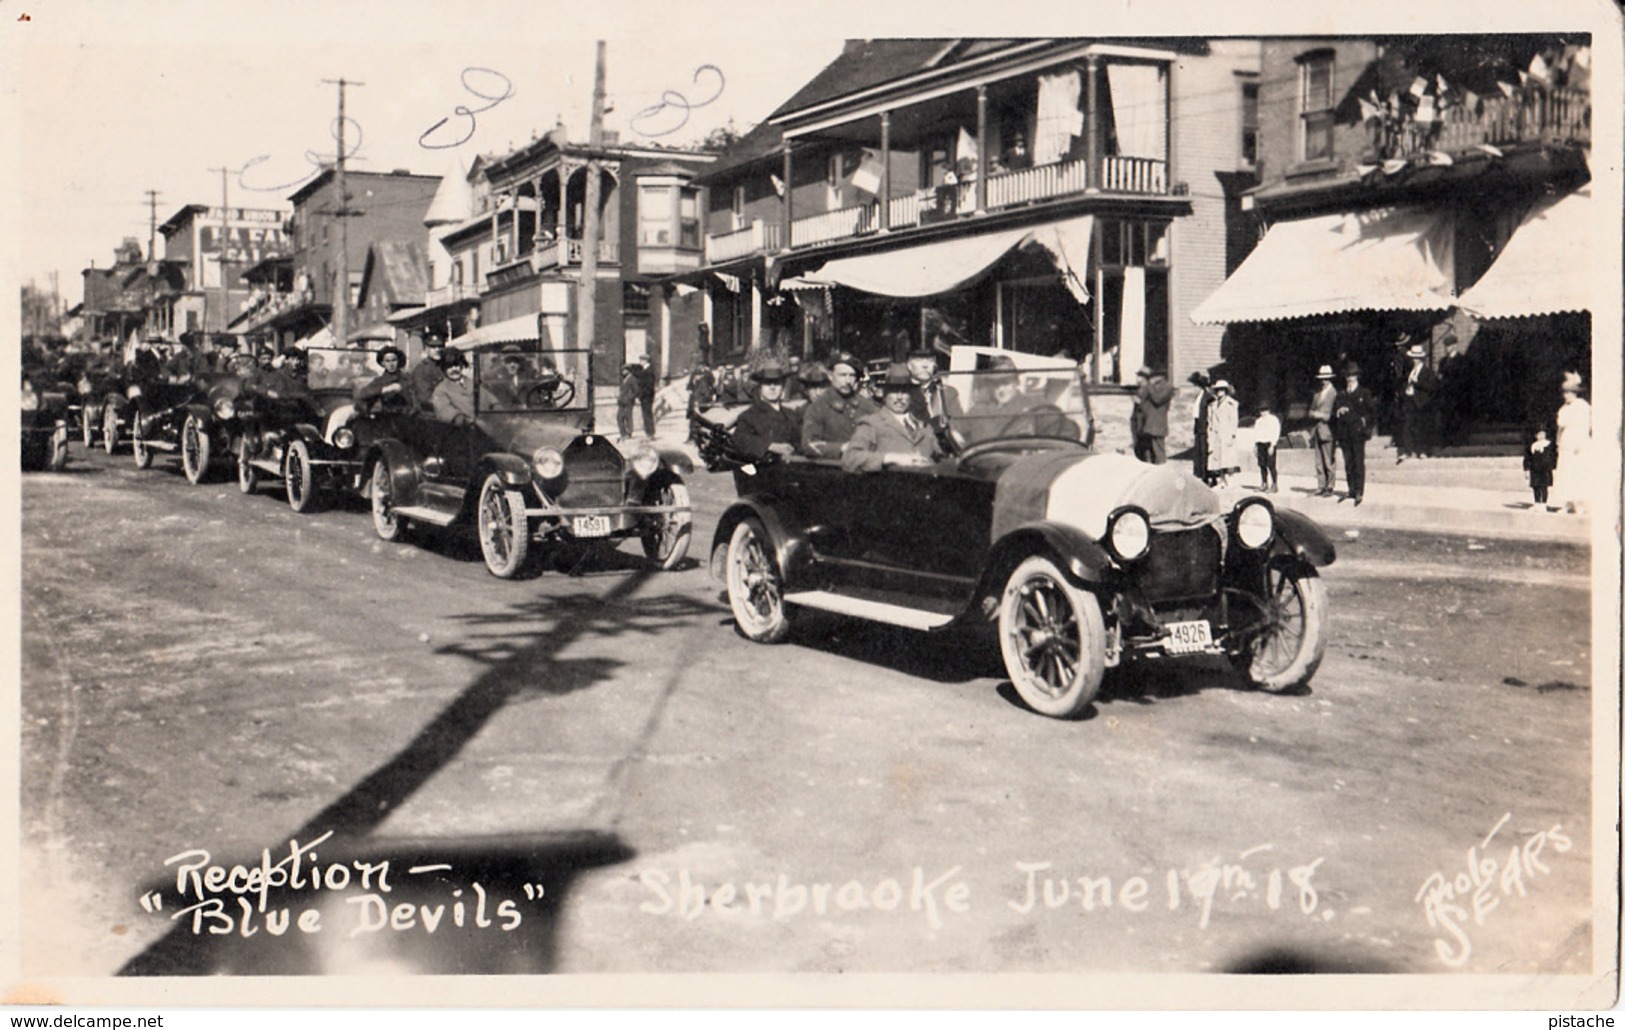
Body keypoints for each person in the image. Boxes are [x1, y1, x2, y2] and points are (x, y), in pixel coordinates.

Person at [843, 363, 943, 472]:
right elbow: (850, 458)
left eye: (904, 391)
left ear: (911, 395)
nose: (900, 397)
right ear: (885, 395)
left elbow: (940, 457)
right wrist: (889, 458)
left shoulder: (924, 427)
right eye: (894, 391)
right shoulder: (872, 423)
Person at [800, 353, 878, 459]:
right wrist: (841, 448)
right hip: (834, 469)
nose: (847, 381)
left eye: (851, 376)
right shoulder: (817, 408)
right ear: (830, 376)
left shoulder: (867, 406)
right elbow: (809, 446)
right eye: (842, 375)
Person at [730, 360, 802, 461]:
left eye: (777, 383)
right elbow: (739, 440)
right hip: (763, 472)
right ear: (760, 387)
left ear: (783, 387)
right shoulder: (749, 416)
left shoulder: (791, 415)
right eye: (767, 383)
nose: (772, 387)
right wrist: (769, 446)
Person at [1332, 362, 1377, 506]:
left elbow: (1372, 412)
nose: (1350, 378)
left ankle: (1359, 491)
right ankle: (1350, 489)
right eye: (1347, 376)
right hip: (1345, 433)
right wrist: (1338, 411)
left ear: (1357, 376)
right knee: (1348, 461)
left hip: (1357, 432)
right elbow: (1335, 411)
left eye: (1352, 375)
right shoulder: (1341, 394)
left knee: (1358, 461)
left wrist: (1364, 422)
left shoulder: (1364, 393)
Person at [1550, 371, 1592, 514]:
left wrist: (1581, 444)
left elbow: (1585, 425)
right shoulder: (1563, 409)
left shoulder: (1582, 406)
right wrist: (1558, 443)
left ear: (1574, 393)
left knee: (1579, 473)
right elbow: (1560, 426)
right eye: (1565, 393)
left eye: (1569, 393)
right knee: (1565, 473)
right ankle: (1566, 503)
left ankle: (1579, 504)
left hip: (1579, 443)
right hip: (1566, 443)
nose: (1566, 395)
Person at [1397, 339, 1436, 462]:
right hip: (1409, 400)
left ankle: (1422, 450)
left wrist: (1417, 383)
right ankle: (1408, 451)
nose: (1414, 360)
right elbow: (1404, 383)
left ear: (1421, 359)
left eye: (1417, 358)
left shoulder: (1427, 372)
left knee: (1421, 426)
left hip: (1421, 402)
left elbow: (1431, 387)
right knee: (1408, 426)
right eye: (1413, 358)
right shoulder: (1410, 371)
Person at [1130, 366, 1173, 464]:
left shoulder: (1167, 387)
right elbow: (1145, 404)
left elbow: (1157, 399)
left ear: (1161, 377)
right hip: (1149, 424)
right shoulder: (1153, 387)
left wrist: (1148, 386)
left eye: (1154, 376)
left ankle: (1163, 472)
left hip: (1157, 425)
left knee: (1159, 452)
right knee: (1149, 452)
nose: (1152, 379)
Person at [353, 346, 412, 415]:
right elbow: (363, 395)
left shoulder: (407, 379)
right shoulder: (379, 381)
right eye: (387, 361)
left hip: (408, 417)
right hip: (387, 418)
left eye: (394, 360)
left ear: (398, 361)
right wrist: (383, 389)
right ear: (382, 363)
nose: (391, 364)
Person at [1309, 364, 1338, 496]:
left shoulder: (1334, 394)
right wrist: (1313, 414)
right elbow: (1310, 411)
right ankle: (1321, 485)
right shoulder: (1317, 394)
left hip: (1328, 430)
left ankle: (1330, 486)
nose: (1323, 381)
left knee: (1328, 460)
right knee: (1318, 460)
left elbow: (1333, 415)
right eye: (1321, 378)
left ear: (1330, 379)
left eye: (1326, 378)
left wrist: (1319, 415)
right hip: (1317, 430)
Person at [1206, 379, 1241, 488]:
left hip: (1226, 434)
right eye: (1217, 390)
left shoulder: (1231, 404)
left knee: (1228, 459)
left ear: (1226, 390)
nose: (1219, 392)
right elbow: (1210, 421)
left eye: (1222, 389)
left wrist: (1232, 434)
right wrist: (1210, 434)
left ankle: (1230, 482)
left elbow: (1234, 421)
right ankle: (1221, 481)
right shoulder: (1212, 405)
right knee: (1217, 459)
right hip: (1216, 435)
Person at [431, 350, 477, 426]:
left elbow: (488, 398)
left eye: (456, 365)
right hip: (463, 428)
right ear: (443, 369)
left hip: (484, 424)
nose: (454, 369)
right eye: (449, 366)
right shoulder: (440, 390)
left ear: (462, 366)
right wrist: (456, 416)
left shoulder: (473, 383)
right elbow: (443, 408)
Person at [410, 333, 448, 411]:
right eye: (433, 347)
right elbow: (425, 398)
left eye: (440, 346)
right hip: (428, 415)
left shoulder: (445, 367)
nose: (437, 349)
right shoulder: (421, 370)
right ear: (427, 349)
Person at [1188, 371, 1213, 484]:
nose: (1194, 388)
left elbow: (1211, 414)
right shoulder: (1197, 398)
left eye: (1195, 386)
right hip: (1198, 426)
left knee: (1204, 452)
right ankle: (1198, 474)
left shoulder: (1208, 397)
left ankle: (1205, 476)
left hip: (1205, 426)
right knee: (1198, 451)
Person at [1524, 425, 1556, 509]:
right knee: (1536, 486)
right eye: (1539, 434)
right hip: (1535, 470)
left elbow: (1553, 457)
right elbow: (1527, 458)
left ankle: (1543, 503)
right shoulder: (1532, 446)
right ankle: (1537, 502)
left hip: (1545, 470)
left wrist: (1553, 467)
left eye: (1543, 434)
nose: (1541, 436)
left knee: (1544, 487)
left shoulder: (1549, 445)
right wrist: (1526, 469)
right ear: (1536, 436)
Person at [1253, 401, 1281, 494]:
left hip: (1269, 443)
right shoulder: (1258, 421)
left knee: (1271, 464)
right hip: (1260, 443)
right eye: (1261, 410)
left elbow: (1276, 432)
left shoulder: (1273, 420)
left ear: (1269, 410)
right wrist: (1255, 445)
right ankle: (1264, 483)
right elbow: (1256, 433)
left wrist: (1272, 445)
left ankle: (1274, 484)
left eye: (1265, 410)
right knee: (1262, 465)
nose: (1263, 412)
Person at [629, 352, 657, 438]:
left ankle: (650, 433)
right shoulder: (645, 370)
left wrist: (641, 395)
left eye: (641, 360)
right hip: (646, 397)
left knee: (647, 414)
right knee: (646, 414)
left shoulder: (648, 371)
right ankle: (649, 432)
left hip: (646, 397)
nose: (640, 362)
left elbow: (648, 386)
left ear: (645, 361)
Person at [616, 361, 639, 439]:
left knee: (628, 417)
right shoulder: (625, 379)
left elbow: (637, 391)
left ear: (628, 370)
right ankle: (623, 433)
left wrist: (630, 397)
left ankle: (628, 433)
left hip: (628, 402)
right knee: (619, 417)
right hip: (622, 401)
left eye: (624, 370)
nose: (623, 372)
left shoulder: (632, 379)